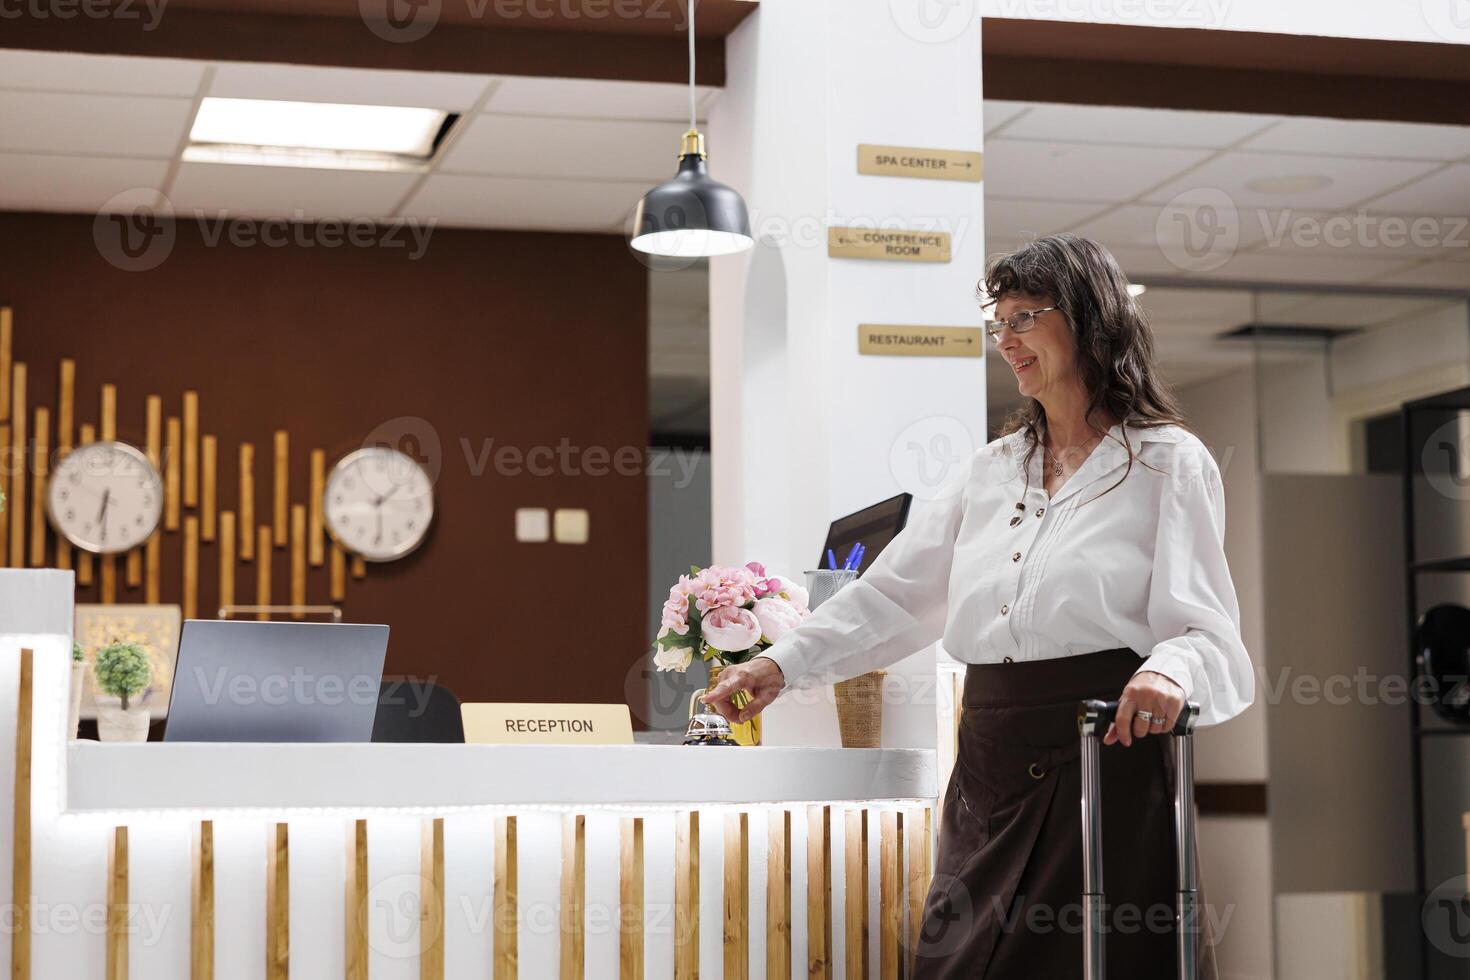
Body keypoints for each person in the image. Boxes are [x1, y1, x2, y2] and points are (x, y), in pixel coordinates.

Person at [701, 234, 1254, 978]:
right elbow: (894, 596)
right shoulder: (990, 472)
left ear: (1090, 319)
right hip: (992, 756)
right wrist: (780, 663)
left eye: (1025, 317)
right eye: (999, 323)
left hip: (1106, 754)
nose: (1007, 340)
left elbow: (1207, 629)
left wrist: (1172, 671)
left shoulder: (1167, 461)